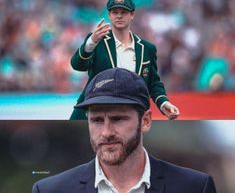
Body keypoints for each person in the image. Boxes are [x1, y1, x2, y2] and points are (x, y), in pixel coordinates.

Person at [32, 68, 217, 193]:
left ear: (145, 121)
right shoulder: (51, 190)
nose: (106, 132)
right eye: (96, 120)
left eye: (117, 118)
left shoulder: (194, 187)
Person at [70, 0, 179, 120]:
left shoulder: (147, 48)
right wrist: (91, 42)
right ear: (109, 15)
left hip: (127, 112)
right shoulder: (97, 40)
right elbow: (77, 65)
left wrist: (164, 103)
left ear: (132, 15)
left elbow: (153, 83)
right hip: (94, 108)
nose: (119, 16)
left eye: (124, 12)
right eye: (115, 12)